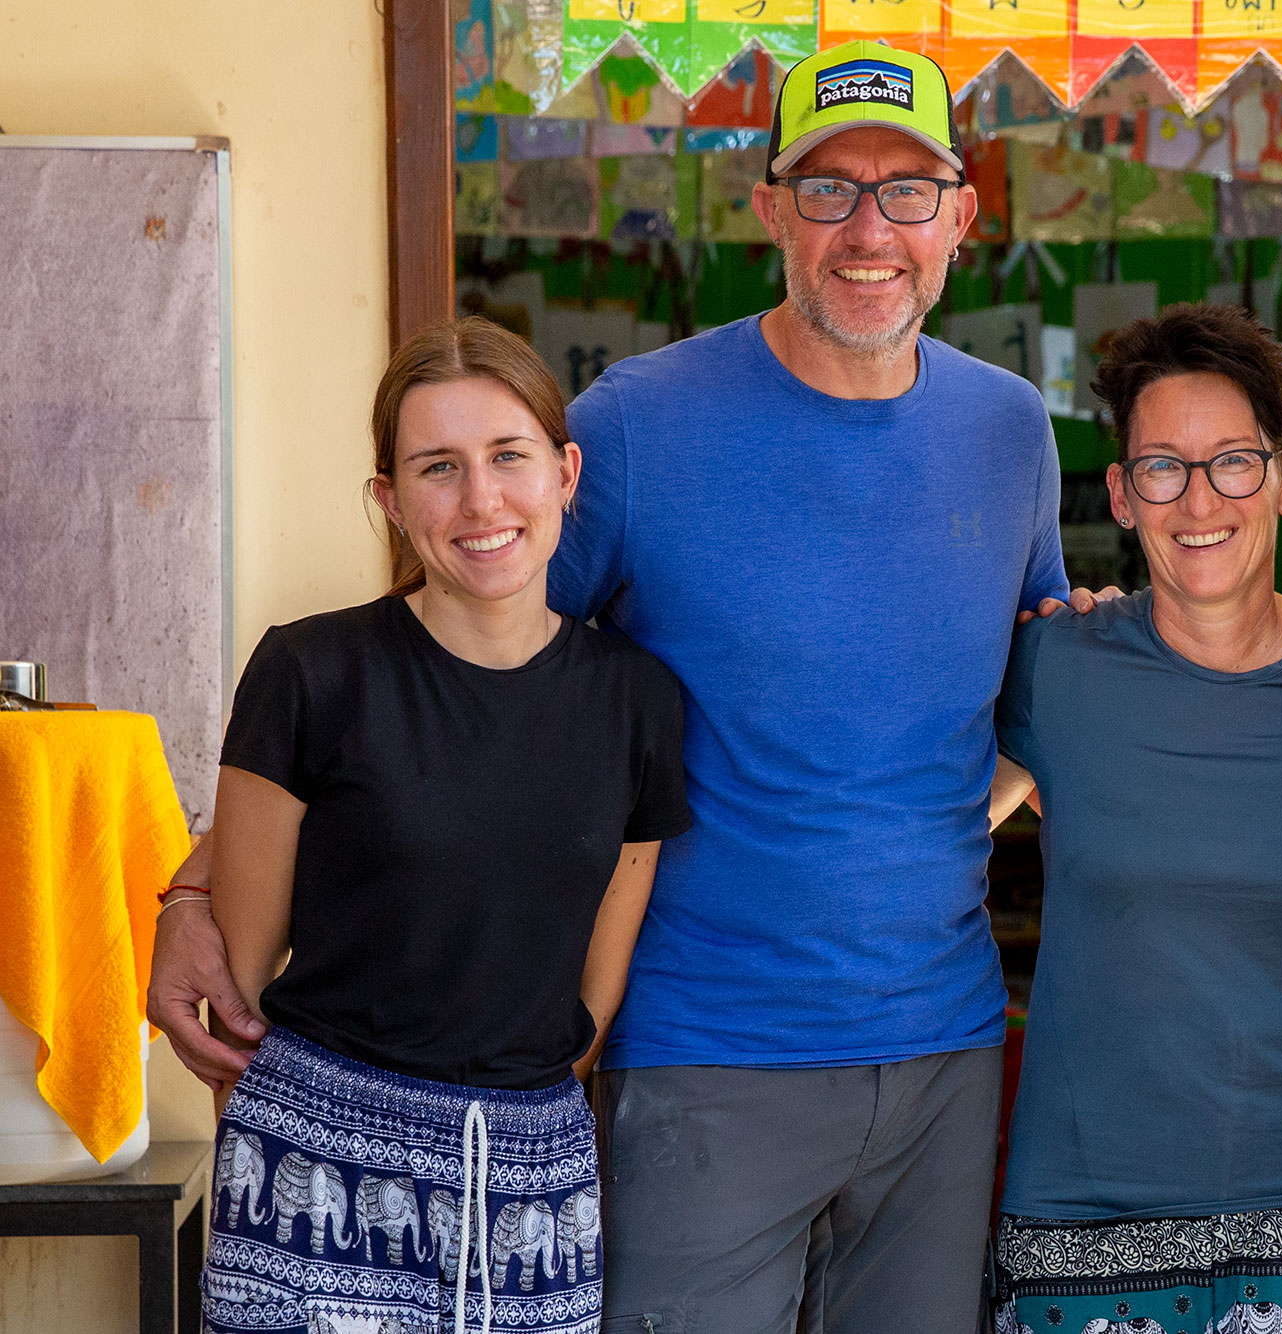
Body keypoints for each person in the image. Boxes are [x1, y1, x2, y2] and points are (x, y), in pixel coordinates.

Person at [151, 42, 1072, 1332]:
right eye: (826, 189)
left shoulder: (1010, 429)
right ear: (770, 211)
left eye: (906, 190)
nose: (868, 229)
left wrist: (915, 828)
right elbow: (466, 660)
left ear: (960, 218)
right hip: (704, 1050)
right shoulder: (639, 421)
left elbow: (1036, 705)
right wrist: (200, 884)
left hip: (944, 1045)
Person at [191, 318, 692, 1334]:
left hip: (533, 1188)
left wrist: (510, 1124)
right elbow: (237, 984)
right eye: (437, 467)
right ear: (388, 498)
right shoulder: (309, 673)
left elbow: (593, 995)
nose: (481, 501)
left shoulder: (636, 700)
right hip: (312, 1169)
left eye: (509, 456)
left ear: (565, 474)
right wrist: (277, 1178)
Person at [987, 303, 1282, 1334]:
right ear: (1122, 496)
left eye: (1232, 463)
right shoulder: (1054, 668)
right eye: (1163, 468)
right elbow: (912, 832)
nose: (1199, 498)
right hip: (1084, 1230)